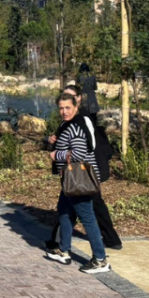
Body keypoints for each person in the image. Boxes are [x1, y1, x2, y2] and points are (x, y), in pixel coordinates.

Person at [46, 93, 111, 274]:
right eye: (61, 108)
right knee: (65, 211)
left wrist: (55, 155)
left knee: (88, 218)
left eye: (68, 107)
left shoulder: (75, 127)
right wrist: (53, 143)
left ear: (75, 107)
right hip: (71, 181)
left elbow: (78, 154)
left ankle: (100, 259)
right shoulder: (68, 126)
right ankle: (64, 250)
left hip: (79, 181)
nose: (64, 111)